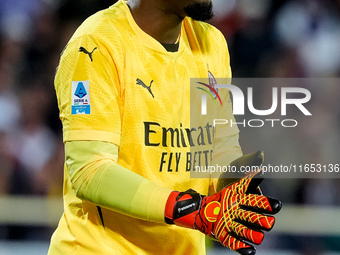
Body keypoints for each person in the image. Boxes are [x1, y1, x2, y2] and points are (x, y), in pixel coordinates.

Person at [48, 0, 281, 254]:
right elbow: (90, 171)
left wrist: (233, 186)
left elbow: (219, 147)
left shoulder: (211, 43)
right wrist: (191, 210)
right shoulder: (96, 44)